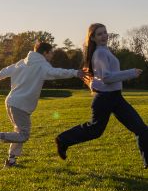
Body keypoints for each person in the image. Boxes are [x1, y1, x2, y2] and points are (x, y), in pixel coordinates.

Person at [55, 23, 147, 168]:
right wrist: (130, 73)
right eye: (99, 34)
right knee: (95, 130)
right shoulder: (100, 53)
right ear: (93, 38)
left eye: (105, 32)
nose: (104, 36)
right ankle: (63, 139)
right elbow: (106, 77)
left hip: (116, 97)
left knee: (141, 129)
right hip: (105, 99)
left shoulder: (104, 51)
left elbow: (100, 77)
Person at [0, 41, 84, 167]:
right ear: (45, 52)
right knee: (23, 135)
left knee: (18, 132)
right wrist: (75, 72)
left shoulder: (21, 63)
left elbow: (4, 71)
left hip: (10, 102)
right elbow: (57, 72)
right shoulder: (42, 66)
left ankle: (11, 161)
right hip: (20, 105)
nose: (52, 55)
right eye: (51, 52)